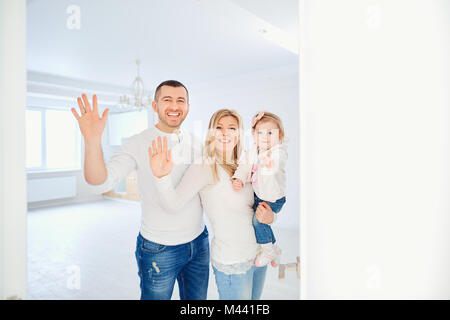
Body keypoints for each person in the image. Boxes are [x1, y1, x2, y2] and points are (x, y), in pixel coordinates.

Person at [71, 80, 210, 300]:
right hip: (159, 249)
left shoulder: (196, 142)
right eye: (167, 100)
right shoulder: (138, 143)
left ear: (188, 107)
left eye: (180, 101)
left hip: (199, 242)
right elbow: (100, 182)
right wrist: (92, 141)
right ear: (154, 106)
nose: (174, 106)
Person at [148, 109, 275, 300]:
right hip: (233, 261)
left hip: (257, 255)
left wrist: (271, 216)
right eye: (219, 127)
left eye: (232, 128)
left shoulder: (245, 163)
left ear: (239, 133)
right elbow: (173, 204)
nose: (225, 133)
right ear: (211, 132)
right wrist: (161, 177)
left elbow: (259, 203)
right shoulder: (205, 165)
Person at [231, 111, 287, 267]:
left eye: (271, 133)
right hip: (260, 196)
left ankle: (268, 250)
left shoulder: (277, 152)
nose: (265, 137)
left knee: (258, 222)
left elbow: (278, 161)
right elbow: (244, 166)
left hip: (273, 198)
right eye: (260, 133)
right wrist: (239, 179)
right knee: (258, 222)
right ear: (255, 136)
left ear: (280, 136)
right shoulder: (254, 151)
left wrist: (270, 163)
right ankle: (275, 248)